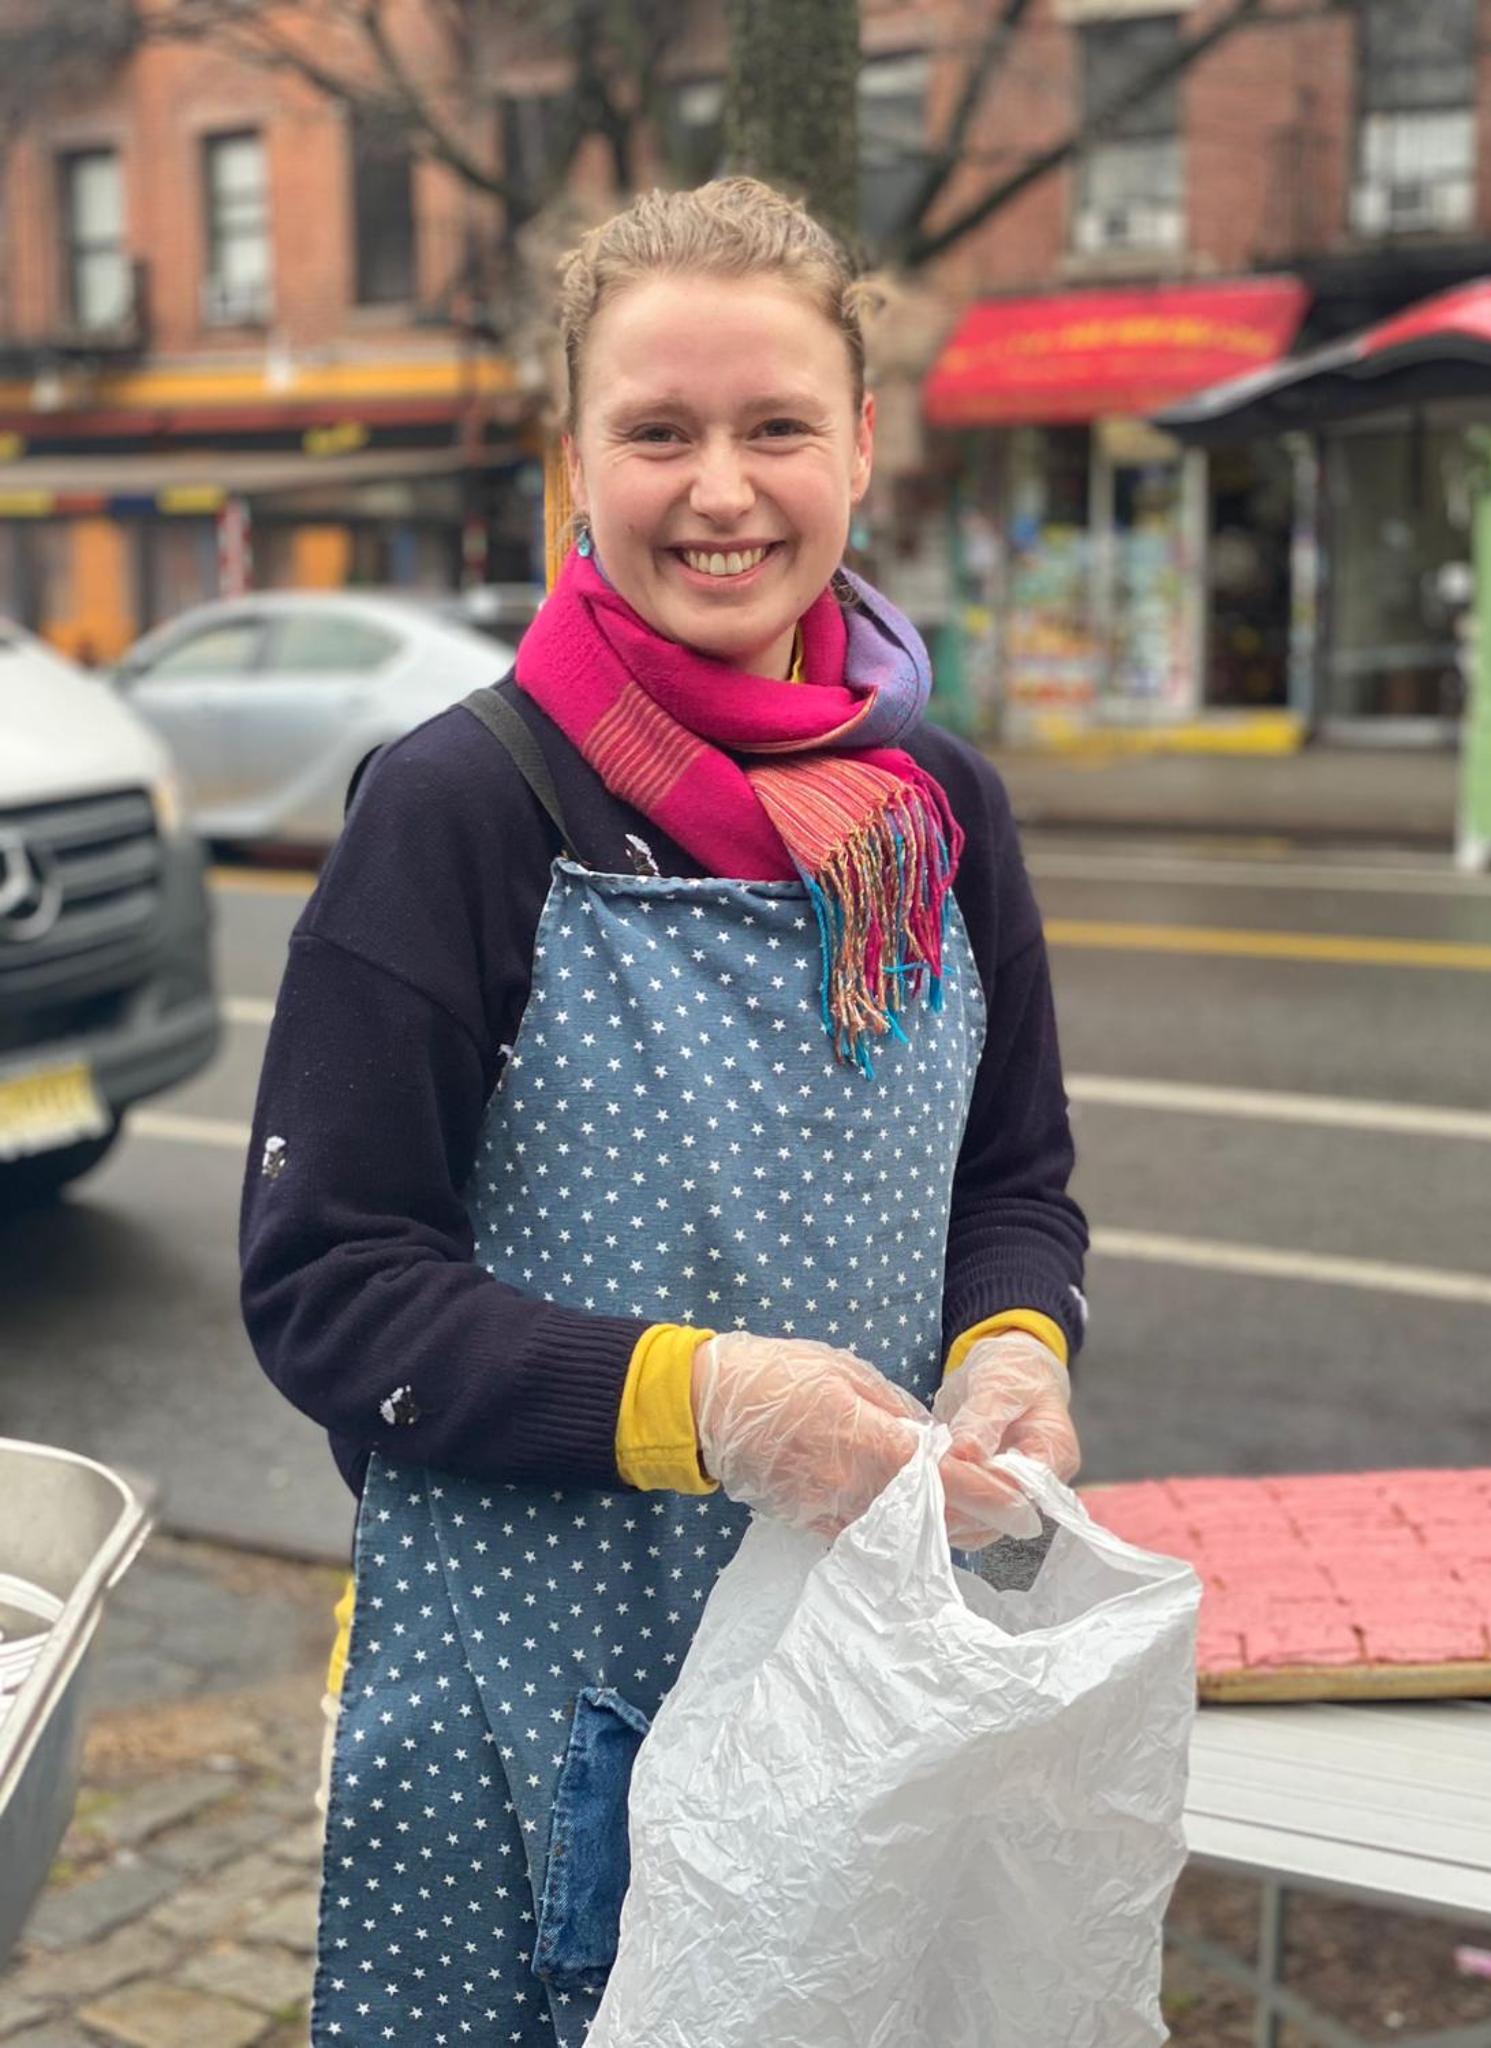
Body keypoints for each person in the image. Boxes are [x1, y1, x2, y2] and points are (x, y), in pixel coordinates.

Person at [240, 177, 1088, 2048]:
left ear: (862, 444)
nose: (721, 490)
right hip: (532, 1695)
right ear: (573, 462)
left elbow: (1014, 1180)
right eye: (657, 433)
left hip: (853, 1670)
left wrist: (1013, 1347)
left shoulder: (942, 813)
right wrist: (706, 1405)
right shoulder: (459, 810)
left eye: (776, 426)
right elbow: (328, 1285)